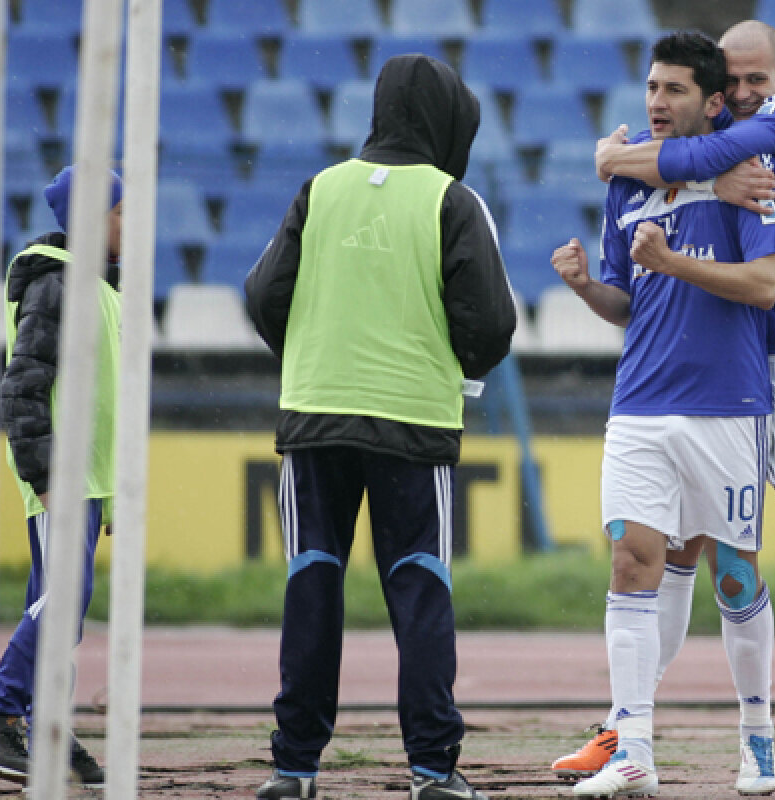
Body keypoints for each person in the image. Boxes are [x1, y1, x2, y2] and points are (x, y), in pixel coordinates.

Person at [588, 19, 775, 799]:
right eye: (732, 83)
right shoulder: (737, 148)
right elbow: (691, 164)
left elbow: (700, 153)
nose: (744, 94)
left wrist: (612, 155)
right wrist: (624, 168)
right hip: (727, 366)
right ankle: (626, 728)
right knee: (674, 555)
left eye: (755, 80)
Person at [244, 54, 516, 800]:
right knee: (418, 586)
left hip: (314, 413)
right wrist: (448, 359)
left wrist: (315, 350)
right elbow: (491, 324)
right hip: (412, 419)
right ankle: (433, 769)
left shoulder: (321, 188)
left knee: (313, 581)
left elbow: (265, 294)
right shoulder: (450, 200)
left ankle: (294, 767)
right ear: (450, 119)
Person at [551, 31, 775, 798]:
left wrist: (675, 260)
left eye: (675, 90)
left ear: (715, 102)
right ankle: (634, 750)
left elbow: (764, 286)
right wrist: (590, 288)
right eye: (652, 88)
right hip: (640, 405)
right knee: (631, 565)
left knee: (733, 577)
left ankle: (757, 736)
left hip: (728, 406)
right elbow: (632, 300)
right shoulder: (626, 183)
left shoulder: (750, 170)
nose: (656, 103)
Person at [0, 165, 122, 789]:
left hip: (90, 479)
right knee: (61, 600)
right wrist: (43, 473)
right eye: (121, 212)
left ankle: (43, 722)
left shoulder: (100, 288)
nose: (131, 225)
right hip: (60, 478)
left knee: (63, 607)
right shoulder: (55, 285)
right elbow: (21, 386)